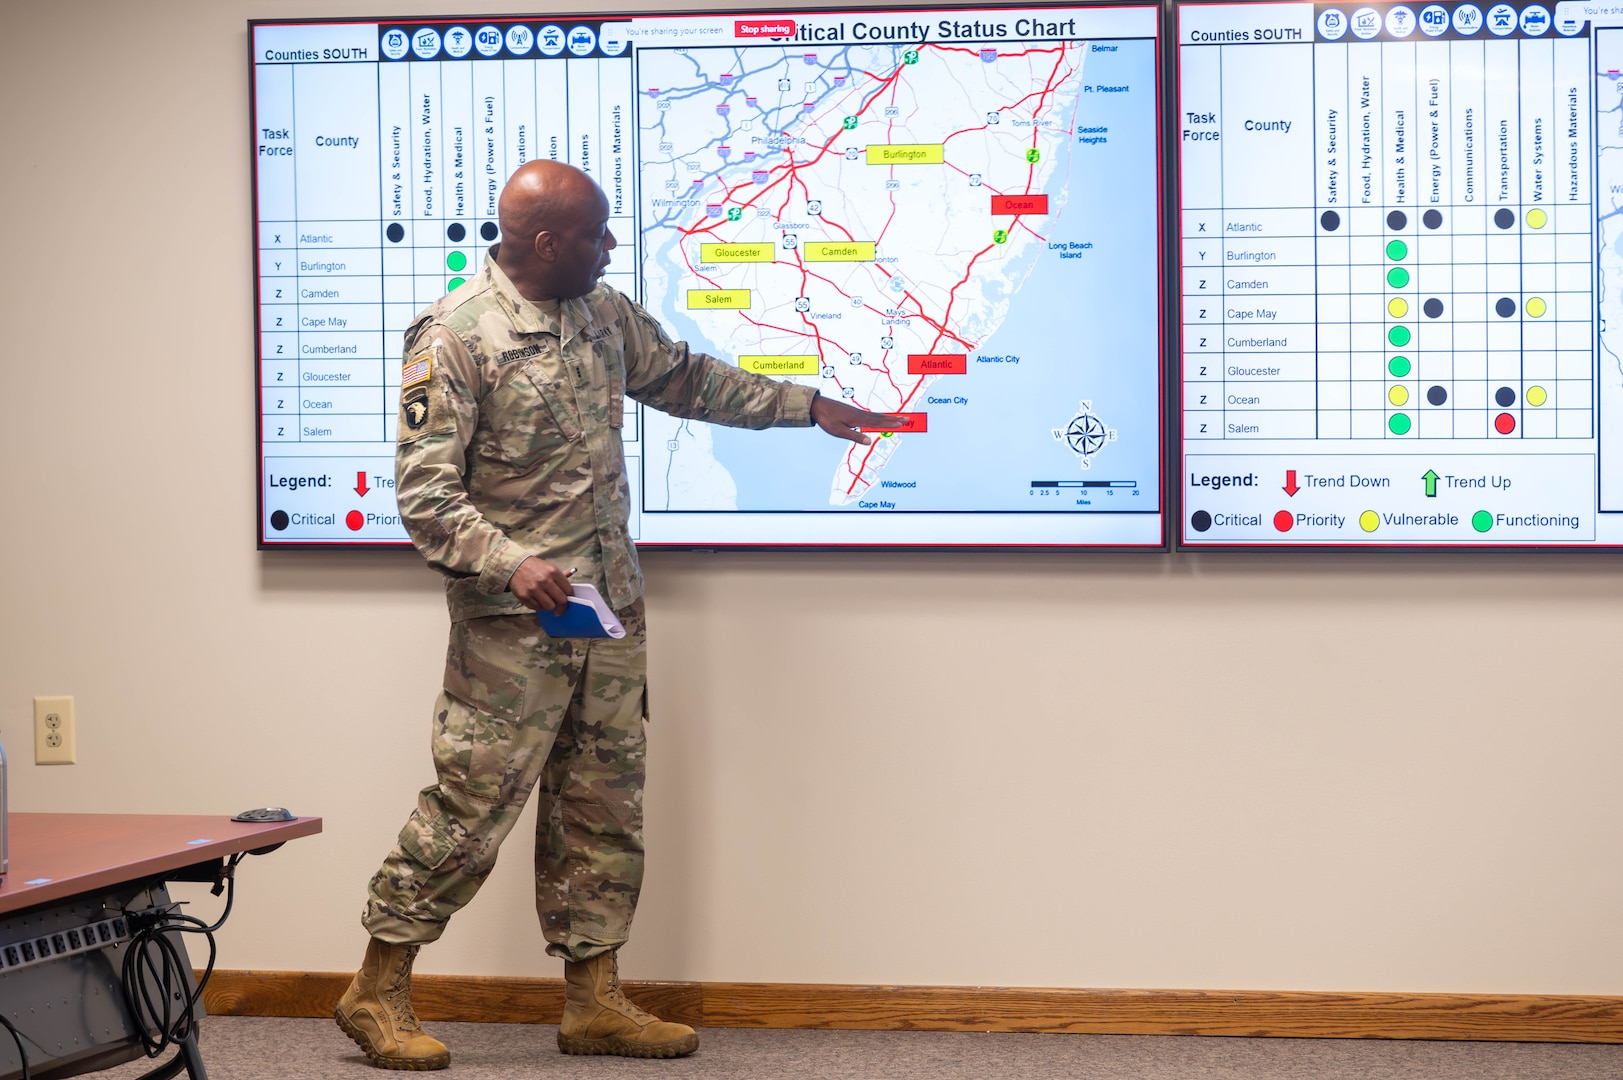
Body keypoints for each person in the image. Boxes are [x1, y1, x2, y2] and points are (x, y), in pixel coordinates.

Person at [334, 160, 898, 1070]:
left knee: (603, 806)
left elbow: (685, 380)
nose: (608, 249)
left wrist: (808, 407)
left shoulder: (603, 315)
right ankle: (377, 987)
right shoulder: (455, 337)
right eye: (595, 235)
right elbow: (426, 497)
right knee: (470, 808)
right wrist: (514, 565)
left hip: (607, 616)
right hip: (510, 635)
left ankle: (594, 1002)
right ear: (546, 242)